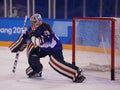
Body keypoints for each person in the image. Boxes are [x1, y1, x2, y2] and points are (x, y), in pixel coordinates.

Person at [9, 13, 86, 83]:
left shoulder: (45, 28)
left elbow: (46, 41)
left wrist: (34, 39)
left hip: (54, 48)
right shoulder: (31, 29)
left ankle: (76, 72)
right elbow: (25, 40)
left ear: (40, 21)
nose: (34, 23)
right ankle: (37, 70)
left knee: (55, 63)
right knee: (32, 55)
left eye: (36, 21)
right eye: (33, 22)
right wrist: (17, 45)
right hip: (44, 49)